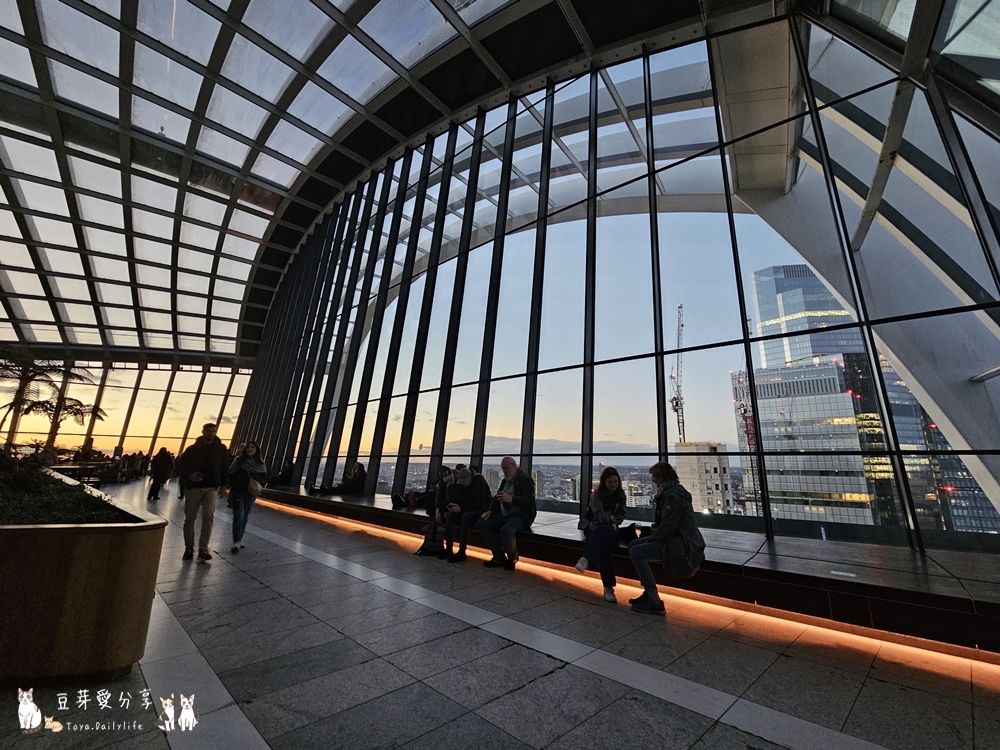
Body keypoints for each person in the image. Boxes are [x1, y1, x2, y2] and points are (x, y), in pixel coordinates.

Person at [627, 461, 703, 615]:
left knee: (636, 551)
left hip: (679, 543)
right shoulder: (672, 492)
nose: (652, 479)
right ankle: (649, 593)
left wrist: (653, 533)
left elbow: (667, 527)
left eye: (654, 476)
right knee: (633, 544)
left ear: (662, 477)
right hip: (676, 539)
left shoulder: (671, 496)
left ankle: (653, 597)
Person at [176, 423, 229, 561]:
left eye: (214, 431)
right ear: (203, 432)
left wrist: (223, 485)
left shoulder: (221, 449)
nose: (211, 434)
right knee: (190, 518)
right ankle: (189, 548)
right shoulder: (192, 449)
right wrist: (190, 475)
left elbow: (224, 467)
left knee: (208, 516)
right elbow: (181, 467)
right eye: (209, 431)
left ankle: (203, 548)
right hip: (193, 488)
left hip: (211, 487)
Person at [574, 466, 628, 602]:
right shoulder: (596, 495)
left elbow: (622, 514)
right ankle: (608, 587)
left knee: (604, 537)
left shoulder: (620, 495)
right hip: (593, 526)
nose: (613, 484)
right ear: (604, 482)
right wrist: (610, 518)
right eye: (610, 482)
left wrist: (614, 519)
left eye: (615, 481)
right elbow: (598, 516)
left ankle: (586, 557)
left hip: (605, 529)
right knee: (604, 536)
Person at [477, 456, 536, 571]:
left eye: (505, 468)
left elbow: (530, 500)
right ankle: (498, 555)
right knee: (482, 523)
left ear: (513, 465)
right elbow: (498, 496)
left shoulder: (525, 479)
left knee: (507, 530)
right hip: (505, 513)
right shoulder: (506, 480)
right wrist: (489, 511)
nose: (504, 471)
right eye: (502, 468)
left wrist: (512, 499)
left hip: (520, 515)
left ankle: (512, 557)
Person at [439, 467, 492, 562]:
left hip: (481, 511)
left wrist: (461, 508)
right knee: (451, 515)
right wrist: (454, 504)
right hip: (467, 509)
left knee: (466, 517)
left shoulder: (480, 485)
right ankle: (448, 548)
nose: (463, 483)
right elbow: (461, 499)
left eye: (464, 481)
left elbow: (480, 504)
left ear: (469, 477)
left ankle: (462, 551)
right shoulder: (466, 484)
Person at [228, 442, 267, 554]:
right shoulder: (239, 461)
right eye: (248, 447)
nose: (250, 449)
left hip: (250, 493)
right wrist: (234, 485)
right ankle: (236, 541)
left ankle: (239, 539)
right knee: (238, 516)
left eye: (252, 447)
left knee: (244, 516)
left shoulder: (259, 463)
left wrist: (258, 484)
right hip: (237, 492)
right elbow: (230, 472)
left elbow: (264, 476)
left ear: (256, 450)